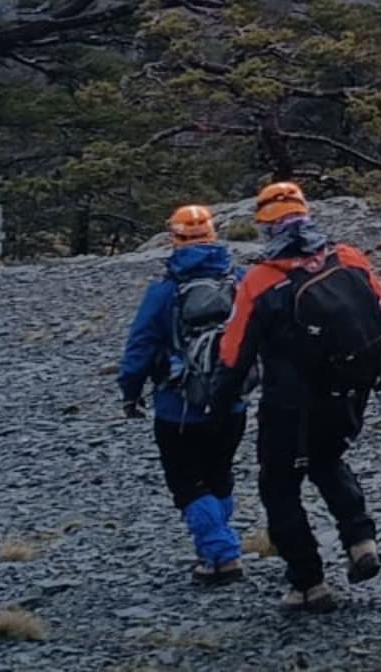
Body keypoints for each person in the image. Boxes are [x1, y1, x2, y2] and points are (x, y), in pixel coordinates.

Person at [213, 181, 381, 612]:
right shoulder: (349, 257)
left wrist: (221, 404)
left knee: (279, 487)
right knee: (329, 461)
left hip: (289, 405)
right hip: (349, 392)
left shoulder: (260, 281)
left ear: (266, 227)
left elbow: (233, 353)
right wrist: (380, 372)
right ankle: (360, 540)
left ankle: (308, 583)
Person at [118, 204, 248, 586]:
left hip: (179, 406)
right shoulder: (240, 279)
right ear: (213, 234)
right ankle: (212, 553)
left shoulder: (164, 290)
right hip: (232, 400)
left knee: (187, 483)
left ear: (174, 239)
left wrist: (130, 391)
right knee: (219, 476)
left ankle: (223, 554)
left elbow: (140, 346)